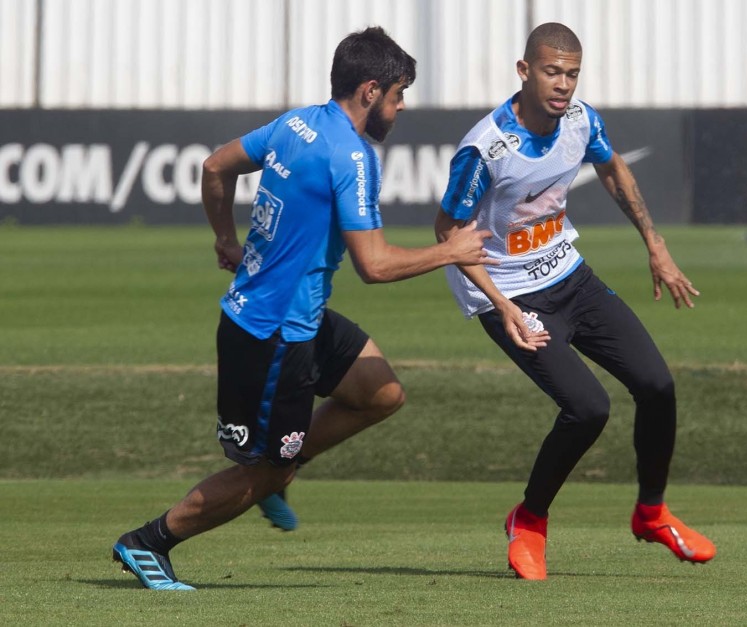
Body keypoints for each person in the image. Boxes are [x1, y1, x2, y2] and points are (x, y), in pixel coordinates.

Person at [112, 26, 494, 591]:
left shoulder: (297, 122)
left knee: (381, 393)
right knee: (262, 472)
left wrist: (225, 240)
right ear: (370, 91)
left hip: (300, 316)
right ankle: (148, 542)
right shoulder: (353, 157)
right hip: (273, 335)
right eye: (398, 93)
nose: (402, 105)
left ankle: (284, 462)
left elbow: (215, 166)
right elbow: (375, 265)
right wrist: (451, 251)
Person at [434, 22, 715, 580]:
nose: (563, 84)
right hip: (507, 293)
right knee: (589, 408)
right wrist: (502, 306)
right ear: (524, 71)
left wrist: (655, 247)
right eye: (551, 71)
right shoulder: (486, 148)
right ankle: (529, 520)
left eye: (571, 73)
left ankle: (651, 513)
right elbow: (448, 231)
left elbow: (611, 167)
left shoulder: (582, 119)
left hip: (570, 275)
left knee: (657, 385)